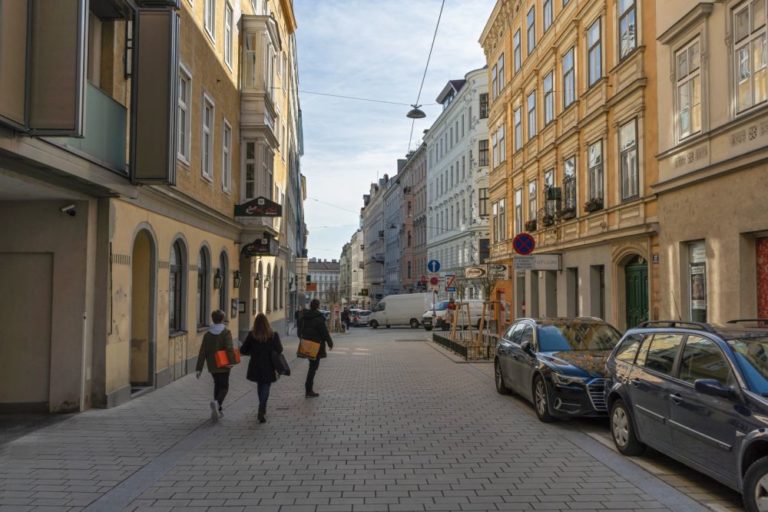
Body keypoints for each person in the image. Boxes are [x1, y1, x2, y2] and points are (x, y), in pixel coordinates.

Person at [240, 313, 283, 423]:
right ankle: (262, 408)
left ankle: (262, 407)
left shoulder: (252, 335)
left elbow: (243, 350)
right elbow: (279, 349)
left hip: (255, 365)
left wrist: (252, 352)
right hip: (269, 364)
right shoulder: (273, 335)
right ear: (267, 323)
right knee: (266, 385)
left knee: (260, 384)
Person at [196, 309, 236, 421]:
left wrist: (199, 368)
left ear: (213, 319)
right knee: (224, 387)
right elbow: (229, 348)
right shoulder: (226, 332)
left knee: (217, 384)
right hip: (223, 364)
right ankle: (217, 403)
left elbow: (202, 351)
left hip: (212, 365)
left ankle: (218, 409)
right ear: (222, 319)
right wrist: (232, 362)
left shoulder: (208, 334)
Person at [298, 298, 333, 397]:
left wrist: (303, 339)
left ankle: (309, 389)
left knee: (312, 366)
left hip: (306, 344)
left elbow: (299, 331)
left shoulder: (304, 317)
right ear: (317, 306)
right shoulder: (319, 318)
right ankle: (308, 390)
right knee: (313, 368)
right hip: (316, 346)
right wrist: (330, 343)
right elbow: (324, 333)